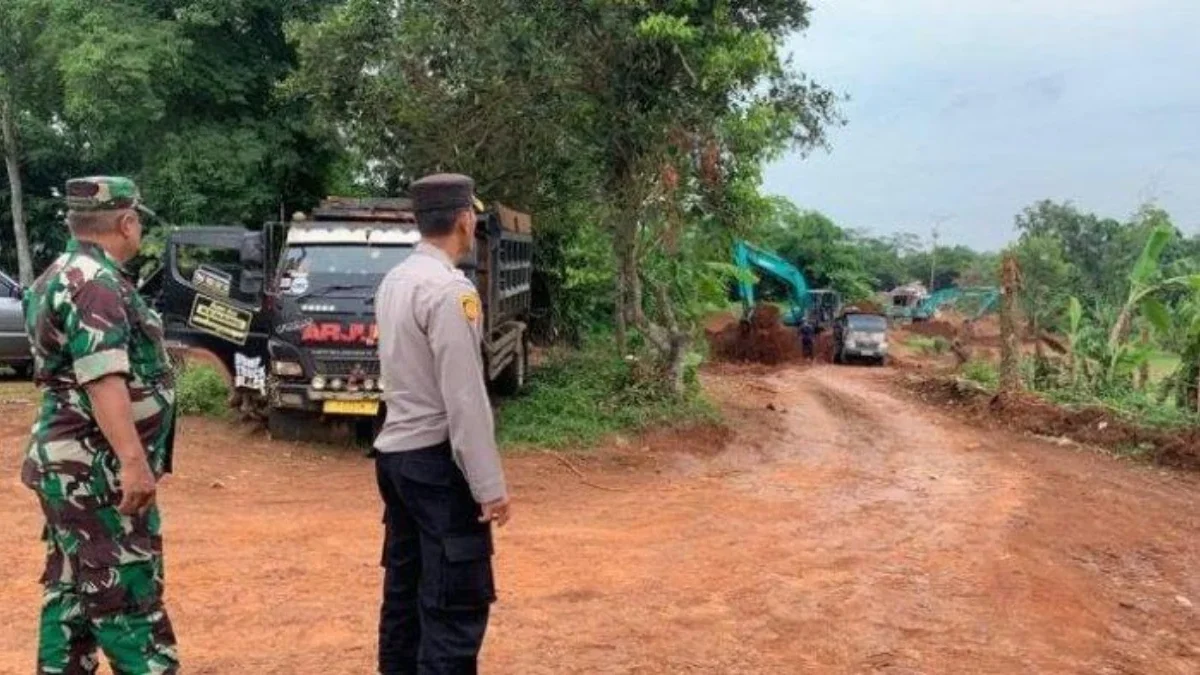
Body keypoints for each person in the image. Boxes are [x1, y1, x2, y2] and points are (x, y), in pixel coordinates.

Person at [20, 176, 179, 673]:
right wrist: (133, 462)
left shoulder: (60, 273)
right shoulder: (97, 284)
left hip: (69, 466)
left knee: (71, 594)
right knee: (127, 595)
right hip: (97, 471)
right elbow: (102, 376)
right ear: (127, 223)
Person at [373, 173, 511, 674]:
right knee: (454, 603)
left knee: (406, 596)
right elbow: (465, 398)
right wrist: (489, 486)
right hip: (436, 465)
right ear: (464, 220)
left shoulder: (396, 280)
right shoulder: (451, 291)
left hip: (396, 458)